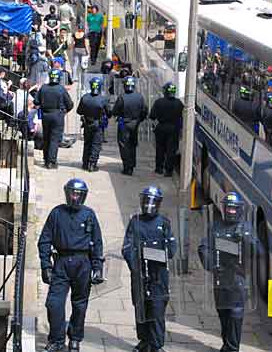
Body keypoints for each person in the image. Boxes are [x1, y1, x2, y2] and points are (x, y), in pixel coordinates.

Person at [38, 178, 104, 352]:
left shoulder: (89, 214)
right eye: (72, 193)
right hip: (61, 262)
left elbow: (97, 242)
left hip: (83, 263)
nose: (75, 197)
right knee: (54, 303)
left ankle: (75, 338)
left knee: (79, 303)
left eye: (78, 194)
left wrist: (97, 267)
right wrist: (46, 265)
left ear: (83, 196)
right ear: (67, 194)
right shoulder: (57, 213)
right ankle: (56, 340)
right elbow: (44, 240)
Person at [198, 192, 258, 352]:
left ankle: (232, 348)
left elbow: (258, 251)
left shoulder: (246, 228)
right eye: (228, 208)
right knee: (224, 315)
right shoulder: (216, 226)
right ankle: (227, 344)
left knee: (235, 316)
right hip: (220, 280)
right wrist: (211, 264)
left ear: (239, 209)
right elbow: (204, 247)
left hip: (238, 281)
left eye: (234, 208)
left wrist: (245, 240)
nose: (231, 211)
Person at [122, 186, 177, 352]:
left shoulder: (164, 224)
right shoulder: (135, 221)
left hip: (157, 276)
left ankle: (156, 345)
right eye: (146, 200)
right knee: (141, 308)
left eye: (152, 201)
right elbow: (127, 248)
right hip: (139, 274)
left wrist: (149, 253)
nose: (148, 205)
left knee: (157, 311)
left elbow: (171, 249)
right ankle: (144, 340)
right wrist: (136, 266)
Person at [34, 69, 74, 169]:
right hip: (57, 115)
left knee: (46, 138)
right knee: (54, 139)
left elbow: (36, 102)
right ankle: (51, 162)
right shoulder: (61, 89)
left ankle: (46, 159)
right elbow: (69, 104)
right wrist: (64, 112)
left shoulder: (43, 88)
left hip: (46, 115)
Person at [112, 76, 148, 175]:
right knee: (132, 144)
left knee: (124, 145)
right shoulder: (139, 97)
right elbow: (145, 110)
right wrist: (139, 120)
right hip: (135, 123)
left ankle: (127, 167)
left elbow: (115, 111)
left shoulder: (122, 97)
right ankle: (132, 165)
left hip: (124, 123)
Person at [77, 77, 111, 172]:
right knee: (96, 144)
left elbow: (79, 111)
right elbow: (109, 113)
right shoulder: (103, 99)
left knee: (87, 143)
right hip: (98, 124)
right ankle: (92, 164)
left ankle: (85, 163)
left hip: (87, 123)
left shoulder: (85, 98)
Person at [149, 82, 183, 177]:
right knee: (171, 150)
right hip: (173, 129)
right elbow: (182, 117)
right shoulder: (179, 103)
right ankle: (168, 171)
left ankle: (159, 168)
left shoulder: (159, 102)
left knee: (160, 149)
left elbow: (152, 116)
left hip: (161, 128)